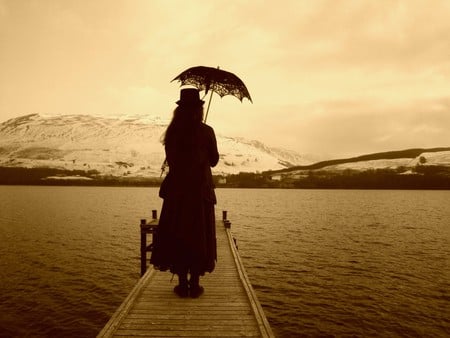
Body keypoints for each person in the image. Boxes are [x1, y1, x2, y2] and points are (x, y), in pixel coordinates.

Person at [150, 88, 219, 298]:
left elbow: (172, 161)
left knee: (178, 234)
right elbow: (214, 161)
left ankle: (181, 285)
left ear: (179, 110)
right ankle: (195, 285)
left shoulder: (172, 133)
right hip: (199, 192)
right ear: (199, 109)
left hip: (177, 193)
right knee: (198, 234)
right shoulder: (207, 131)